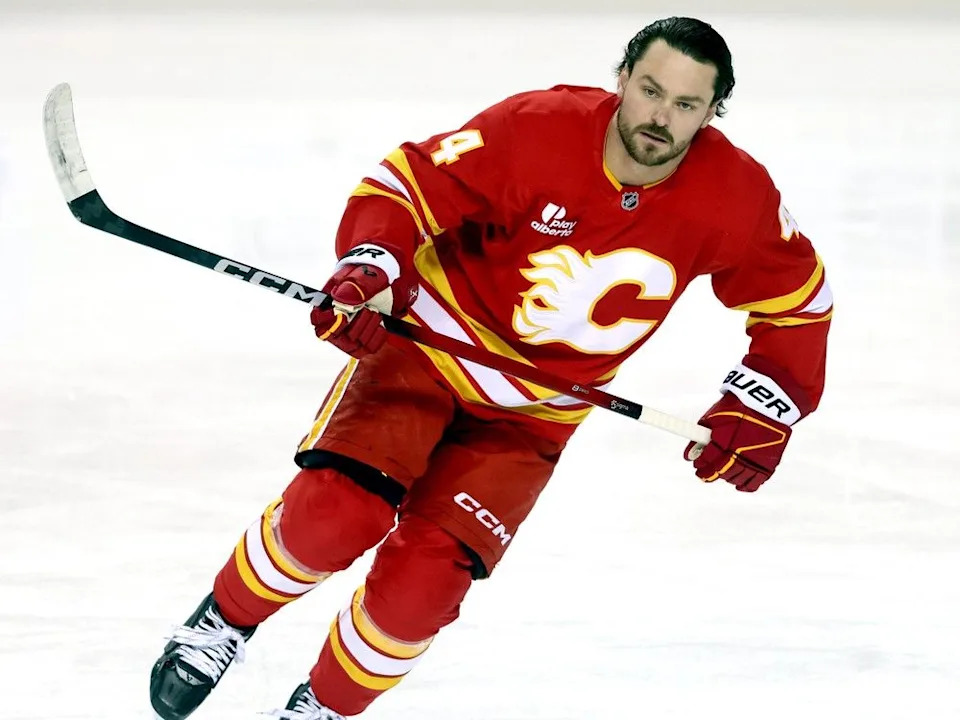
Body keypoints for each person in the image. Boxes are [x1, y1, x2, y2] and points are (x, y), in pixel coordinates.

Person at [149, 16, 832, 720]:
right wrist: (372, 264)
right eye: (650, 90)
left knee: (422, 588)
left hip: (535, 411)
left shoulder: (734, 195)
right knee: (335, 515)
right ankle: (225, 619)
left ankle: (320, 707)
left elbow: (799, 303)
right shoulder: (539, 128)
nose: (659, 117)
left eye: (685, 105)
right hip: (429, 351)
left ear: (713, 113)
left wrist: (766, 401)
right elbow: (407, 186)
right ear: (622, 76)